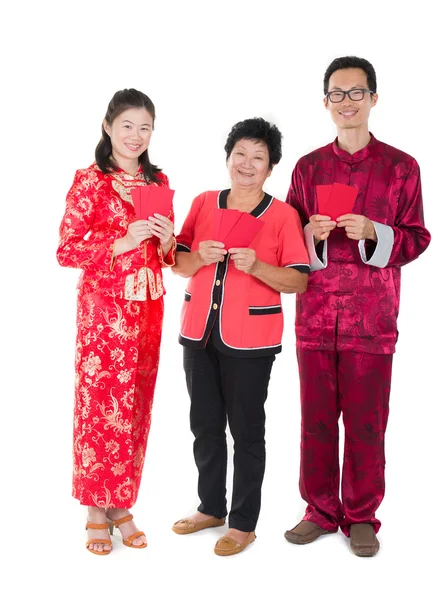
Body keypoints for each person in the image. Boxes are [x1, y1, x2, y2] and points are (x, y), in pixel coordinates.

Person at [284, 56, 431, 556]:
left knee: (368, 421)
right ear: (325, 103)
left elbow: (417, 237)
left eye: (356, 92)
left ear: (373, 97)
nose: (347, 102)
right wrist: (311, 234)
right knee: (316, 419)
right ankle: (320, 510)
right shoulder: (307, 168)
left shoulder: (401, 167)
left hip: (373, 319)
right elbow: (286, 244)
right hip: (315, 317)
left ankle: (362, 513)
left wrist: (376, 232)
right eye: (337, 94)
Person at [171, 118, 310, 556]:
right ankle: (211, 506)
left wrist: (257, 267)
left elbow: (299, 281)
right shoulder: (204, 202)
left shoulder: (284, 214)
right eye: (240, 155)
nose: (247, 164)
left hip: (252, 338)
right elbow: (176, 261)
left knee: (247, 431)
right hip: (198, 331)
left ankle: (244, 523)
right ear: (228, 157)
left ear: (271, 168)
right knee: (204, 425)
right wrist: (196, 257)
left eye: (258, 158)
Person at [57, 89, 175, 555]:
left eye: (145, 127)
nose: (136, 136)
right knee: (100, 405)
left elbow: (167, 256)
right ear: (108, 127)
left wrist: (168, 241)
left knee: (136, 405)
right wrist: (120, 241)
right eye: (127, 125)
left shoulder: (159, 180)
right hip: (105, 312)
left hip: (148, 308)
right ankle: (94, 507)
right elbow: (66, 249)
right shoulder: (91, 181)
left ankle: (121, 501)